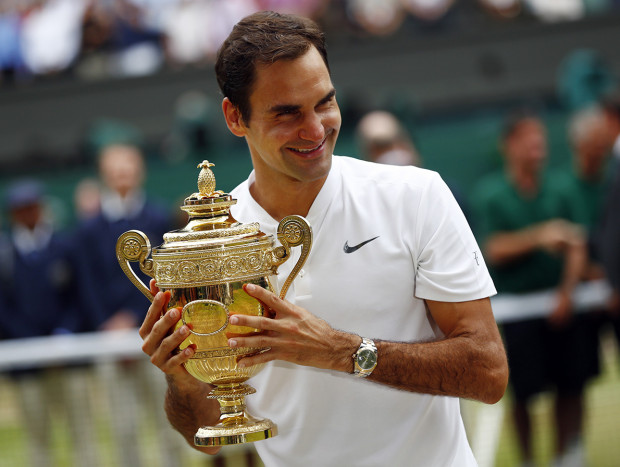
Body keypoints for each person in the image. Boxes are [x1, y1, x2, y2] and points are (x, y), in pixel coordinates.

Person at [139, 11, 508, 466]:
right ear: (235, 117)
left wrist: (345, 352)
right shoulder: (210, 245)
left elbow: (488, 371)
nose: (315, 129)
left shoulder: (416, 195)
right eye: (287, 113)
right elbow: (207, 437)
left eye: (324, 103)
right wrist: (184, 380)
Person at [471, 110, 588, 467]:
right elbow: (493, 248)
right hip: (518, 311)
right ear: (509, 145)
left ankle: (567, 456)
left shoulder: (563, 187)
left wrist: (567, 292)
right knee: (523, 392)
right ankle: (528, 460)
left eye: (541, 140)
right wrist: (540, 236)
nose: (538, 147)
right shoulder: (491, 194)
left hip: (563, 305)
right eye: (529, 140)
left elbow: (577, 242)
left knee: (571, 384)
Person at [75, 142, 181, 467]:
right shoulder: (89, 229)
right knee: (124, 427)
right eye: (115, 169)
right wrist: (108, 325)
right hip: (107, 340)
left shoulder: (159, 217)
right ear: (104, 175)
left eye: (128, 168)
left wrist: (138, 319)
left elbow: (167, 277)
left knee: (167, 420)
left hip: (157, 335)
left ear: (139, 172)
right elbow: (87, 282)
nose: (122, 175)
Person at [0, 179, 100, 467]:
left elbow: (80, 297)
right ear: (12, 214)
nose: (28, 213)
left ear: (41, 209)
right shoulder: (5, 256)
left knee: (82, 433)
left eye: (32, 207)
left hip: (69, 360)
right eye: (21, 209)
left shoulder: (65, 247)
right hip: (27, 367)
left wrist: (64, 336)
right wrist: (33, 345)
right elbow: (5, 311)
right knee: (38, 438)